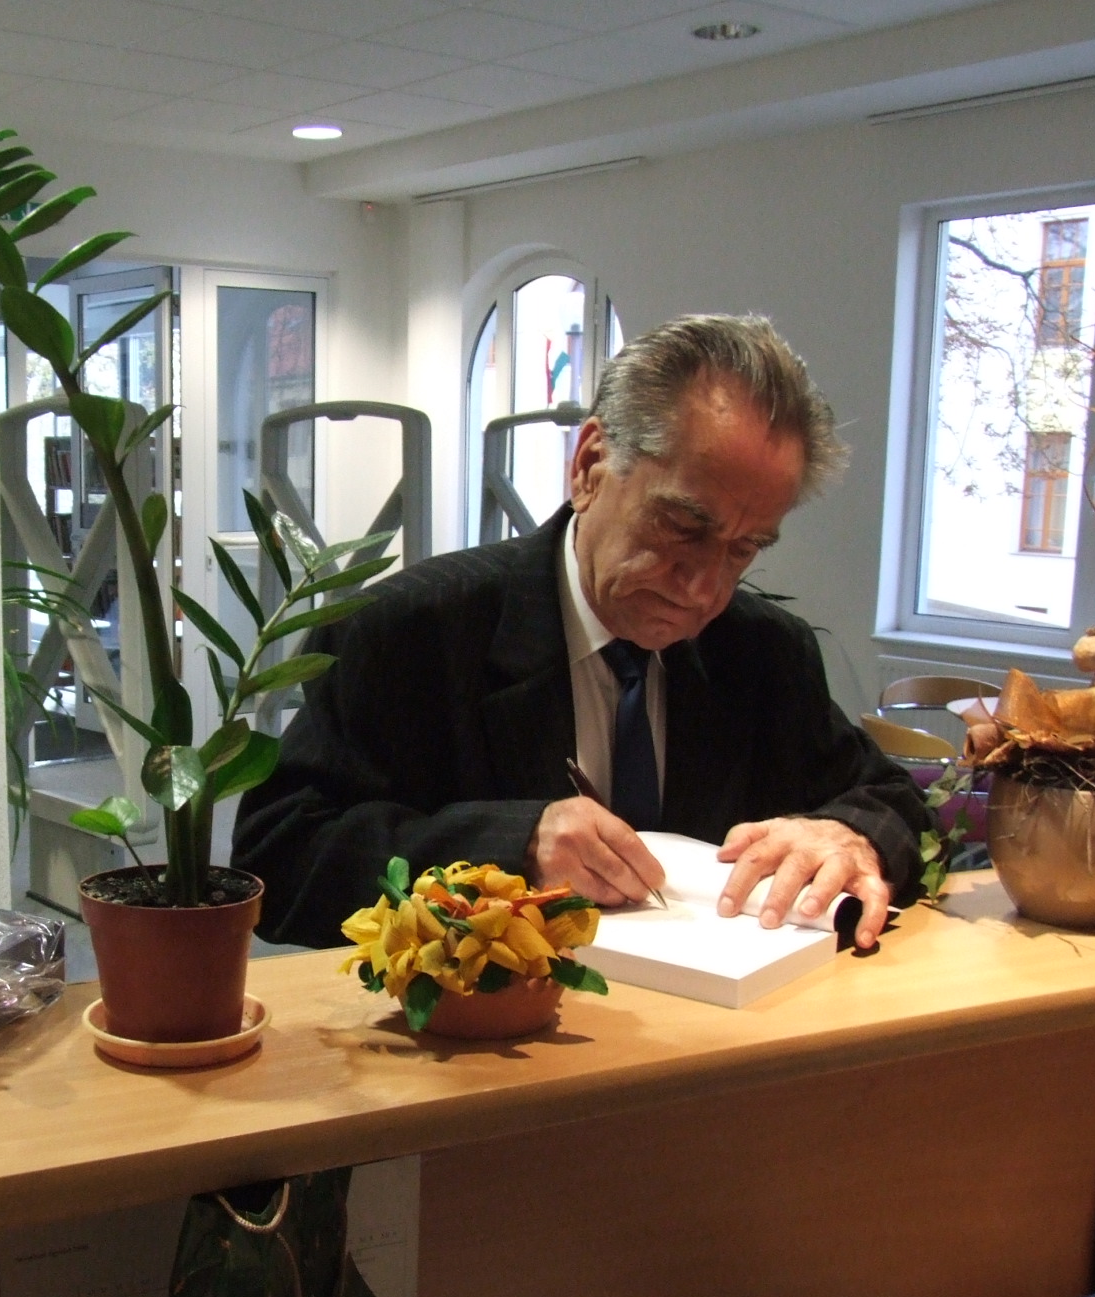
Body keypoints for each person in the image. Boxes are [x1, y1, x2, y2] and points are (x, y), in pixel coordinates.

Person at [234, 314, 928, 952]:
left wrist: (850, 837)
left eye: (744, 549)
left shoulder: (764, 652)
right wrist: (510, 848)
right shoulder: (411, 632)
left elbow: (899, 804)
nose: (705, 589)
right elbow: (279, 863)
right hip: (479, 1036)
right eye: (683, 527)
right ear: (591, 466)